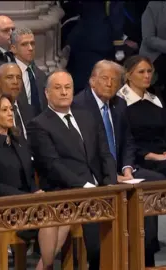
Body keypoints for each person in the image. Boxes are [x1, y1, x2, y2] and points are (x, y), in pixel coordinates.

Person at [73, 59, 166, 266]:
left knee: (152, 183)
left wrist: (127, 169)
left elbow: (128, 142)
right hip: (94, 174)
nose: (109, 84)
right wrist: (110, 175)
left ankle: (145, 256)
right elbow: (84, 150)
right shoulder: (79, 106)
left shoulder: (119, 104)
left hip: (122, 171)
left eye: (114, 80)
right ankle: (100, 259)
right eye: (104, 79)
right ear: (92, 81)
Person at [30, 70, 117, 270]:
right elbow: (53, 165)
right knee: (97, 241)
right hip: (66, 190)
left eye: (67, 87)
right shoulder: (39, 125)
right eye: (58, 88)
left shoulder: (87, 117)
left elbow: (105, 154)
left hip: (100, 188)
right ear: (46, 93)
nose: (63, 92)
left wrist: (111, 183)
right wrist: (85, 186)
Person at [117, 55, 166, 257]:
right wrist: (152, 156)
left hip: (165, 157)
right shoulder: (121, 102)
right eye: (141, 72)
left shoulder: (155, 99)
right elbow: (125, 141)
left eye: (149, 71)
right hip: (141, 160)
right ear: (129, 75)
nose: (147, 75)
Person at [0, 93, 57, 269]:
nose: (10, 113)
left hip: (26, 202)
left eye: (11, 109)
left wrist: (35, 191)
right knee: (49, 217)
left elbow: (28, 175)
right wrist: (25, 197)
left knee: (57, 217)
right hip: (1, 207)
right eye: (4, 110)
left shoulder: (18, 141)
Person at [9, 27, 47, 116]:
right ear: (13, 48)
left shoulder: (41, 75)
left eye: (32, 43)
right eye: (24, 44)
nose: (30, 48)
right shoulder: (7, 76)